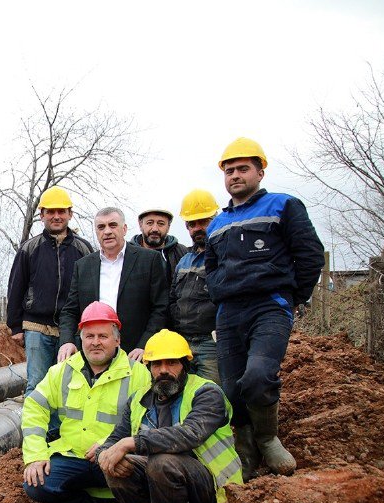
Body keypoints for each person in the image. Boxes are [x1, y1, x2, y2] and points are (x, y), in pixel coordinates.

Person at [206, 138, 325, 478]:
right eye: (229, 171)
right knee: (230, 388)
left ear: (260, 171)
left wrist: (292, 296)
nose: (235, 176)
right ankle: (245, 449)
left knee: (258, 376)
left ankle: (268, 438)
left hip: (269, 306)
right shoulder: (217, 223)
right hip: (229, 313)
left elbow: (310, 253)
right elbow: (212, 268)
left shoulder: (284, 205)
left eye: (243, 168)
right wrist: (219, 293)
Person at [95, 329, 243, 503]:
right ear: (149, 368)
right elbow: (115, 438)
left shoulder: (207, 393)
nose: (163, 370)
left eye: (171, 363)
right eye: (156, 364)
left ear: (185, 364)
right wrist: (103, 454)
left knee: (162, 461)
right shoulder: (139, 400)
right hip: (163, 484)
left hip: (212, 489)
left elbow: (190, 434)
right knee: (116, 464)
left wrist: (130, 443)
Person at [21, 301, 151, 503]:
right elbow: (33, 407)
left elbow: (148, 421)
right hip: (74, 457)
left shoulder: (137, 373)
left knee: (145, 472)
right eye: (89, 335)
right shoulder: (62, 371)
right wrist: (35, 455)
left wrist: (112, 443)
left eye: (103, 335)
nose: (95, 342)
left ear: (117, 340)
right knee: (36, 484)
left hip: (117, 457)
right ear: (81, 339)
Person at [7, 185, 94, 404]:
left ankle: (58, 434)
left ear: (70, 214)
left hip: (72, 329)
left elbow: (91, 289)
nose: (56, 216)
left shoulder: (84, 249)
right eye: (51, 212)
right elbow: (16, 286)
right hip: (37, 328)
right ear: (41, 215)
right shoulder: (29, 248)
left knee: (68, 383)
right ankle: (33, 433)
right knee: (37, 382)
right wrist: (16, 326)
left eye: (61, 211)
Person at [57, 207, 168, 363]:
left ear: (124, 229)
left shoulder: (149, 260)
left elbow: (160, 308)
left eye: (113, 225)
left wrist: (145, 344)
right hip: (94, 355)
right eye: (101, 227)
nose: (107, 231)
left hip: (135, 354)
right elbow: (70, 310)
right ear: (96, 232)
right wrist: (67, 341)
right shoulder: (82, 266)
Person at [168, 190, 221, 383]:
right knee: (185, 396)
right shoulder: (184, 261)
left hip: (212, 341)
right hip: (184, 341)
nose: (198, 228)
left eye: (203, 222)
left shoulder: (224, 255)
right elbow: (173, 298)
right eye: (192, 224)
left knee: (213, 394)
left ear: (215, 219)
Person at [133, 208, 187, 283]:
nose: (155, 229)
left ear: (168, 227)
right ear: (140, 225)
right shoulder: (127, 252)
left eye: (161, 223)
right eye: (150, 223)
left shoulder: (181, 252)